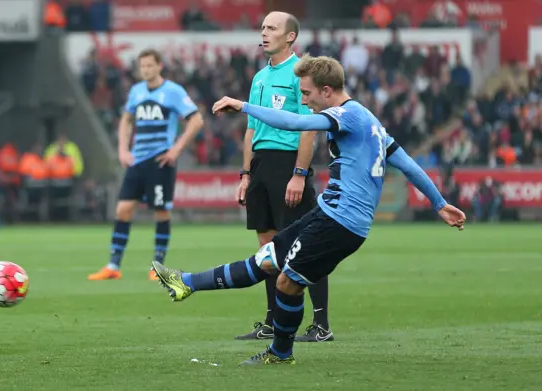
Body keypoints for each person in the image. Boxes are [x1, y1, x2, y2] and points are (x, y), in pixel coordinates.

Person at [152, 54, 466, 365]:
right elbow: (408, 164)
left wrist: (243, 106)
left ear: (327, 91)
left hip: (341, 223)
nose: (304, 100)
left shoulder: (346, 115)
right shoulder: (371, 122)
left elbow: (295, 123)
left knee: (288, 282)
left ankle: (280, 353)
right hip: (329, 213)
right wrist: (439, 203)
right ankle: (186, 283)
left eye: (306, 93)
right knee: (265, 261)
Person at [234, 11, 333, 343]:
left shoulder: (298, 75)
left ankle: (321, 325)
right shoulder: (260, 77)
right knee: (267, 248)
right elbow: (251, 131)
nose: (263, 33)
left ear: (290, 37)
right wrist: (246, 174)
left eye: (271, 28)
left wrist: (299, 174)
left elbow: (309, 130)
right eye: (262, 27)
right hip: (261, 166)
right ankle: (273, 322)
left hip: (288, 164)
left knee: (306, 245)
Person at [89, 48, 204, 281]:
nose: (146, 70)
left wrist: (176, 150)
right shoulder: (136, 91)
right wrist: (122, 149)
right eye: (142, 66)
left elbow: (196, 120)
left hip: (161, 161)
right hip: (138, 160)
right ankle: (113, 266)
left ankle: (157, 267)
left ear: (160, 66)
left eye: (150, 65)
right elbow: (126, 120)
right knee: (123, 209)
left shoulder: (172, 91)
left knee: (161, 211)